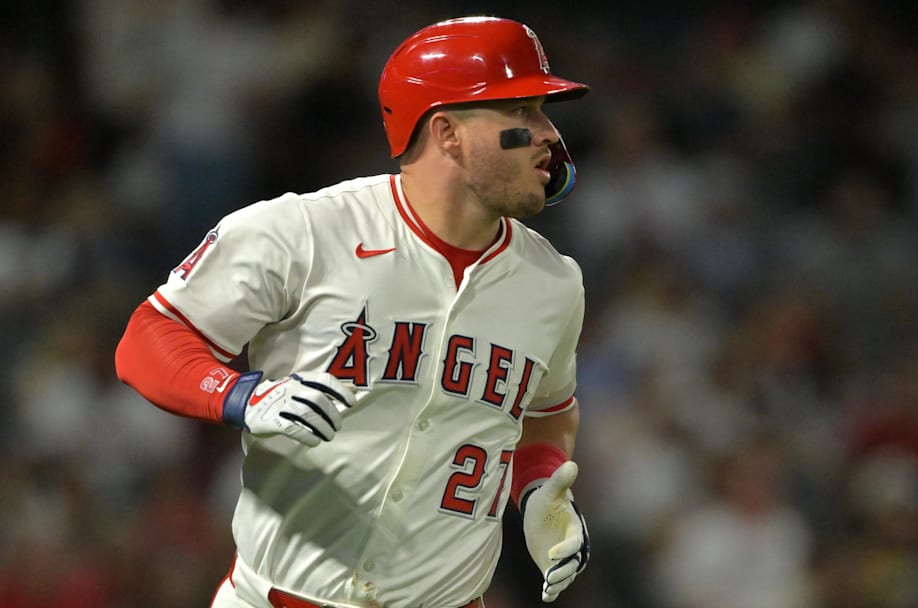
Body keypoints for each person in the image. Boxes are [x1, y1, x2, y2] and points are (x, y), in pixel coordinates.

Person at [115, 16, 591, 608]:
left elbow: (545, 414)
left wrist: (541, 482)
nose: (547, 133)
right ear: (446, 133)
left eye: (544, 111)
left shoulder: (554, 283)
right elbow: (150, 336)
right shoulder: (307, 232)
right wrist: (242, 396)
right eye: (521, 113)